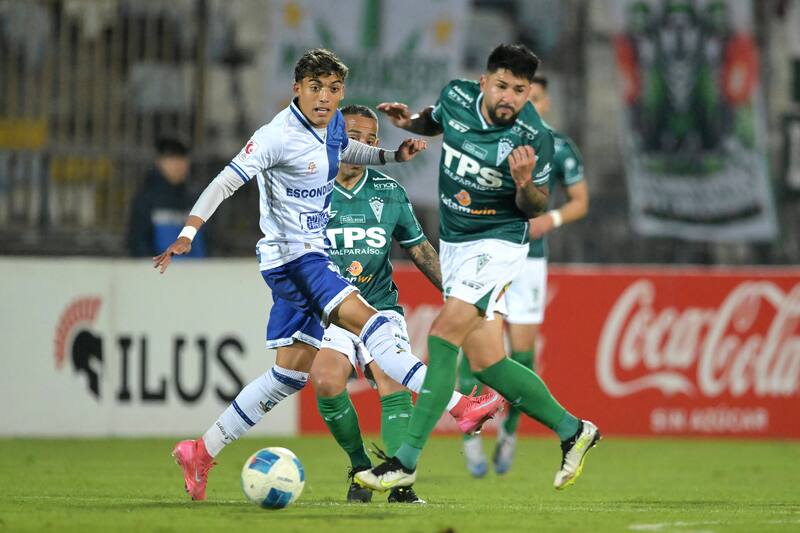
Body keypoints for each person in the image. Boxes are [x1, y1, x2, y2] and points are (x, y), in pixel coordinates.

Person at [153, 49, 431, 501]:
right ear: (296, 89)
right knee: (371, 324)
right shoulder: (274, 136)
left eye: (334, 89)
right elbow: (225, 180)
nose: (325, 98)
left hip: (307, 256)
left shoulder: (334, 124)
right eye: (316, 87)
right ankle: (458, 405)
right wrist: (189, 231)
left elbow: (346, 147)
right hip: (293, 260)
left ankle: (200, 452)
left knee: (289, 375)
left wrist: (391, 155)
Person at [355, 44, 600, 494]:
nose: (510, 96)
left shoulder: (535, 138)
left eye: (520, 90)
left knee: (443, 335)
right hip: (455, 243)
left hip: (499, 243)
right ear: (485, 82)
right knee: (487, 363)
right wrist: (410, 123)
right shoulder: (456, 97)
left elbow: (536, 205)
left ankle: (405, 461)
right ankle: (574, 430)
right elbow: (436, 119)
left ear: (529, 93)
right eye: (503, 86)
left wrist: (525, 182)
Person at [311, 104, 502, 505]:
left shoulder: (388, 192)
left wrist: (460, 299)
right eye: (353, 136)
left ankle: (400, 485)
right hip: (332, 311)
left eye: (370, 139)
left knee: (392, 383)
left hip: (379, 308)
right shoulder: (312, 189)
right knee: (327, 382)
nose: (360, 144)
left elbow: (422, 253)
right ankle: (362, 468)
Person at [459, 74, 590, 477]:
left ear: (544, 103)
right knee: (473, 344)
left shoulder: (559, 147)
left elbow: (580, 202)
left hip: (530, 261)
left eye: (533, 97)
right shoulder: (489, 138)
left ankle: (510, 432)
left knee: (521, 352)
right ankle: (471, 435)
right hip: (490, 255)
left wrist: (548, 219)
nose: (524, 103)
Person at [127, 136, 207, 258]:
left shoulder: (197, 197)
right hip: (162, 273)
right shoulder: (146, 199)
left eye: (181, 158)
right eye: (171, 158)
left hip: (200, 272)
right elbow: (138, 243)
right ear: (158, 162)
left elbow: (210, 240)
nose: (177, 164)